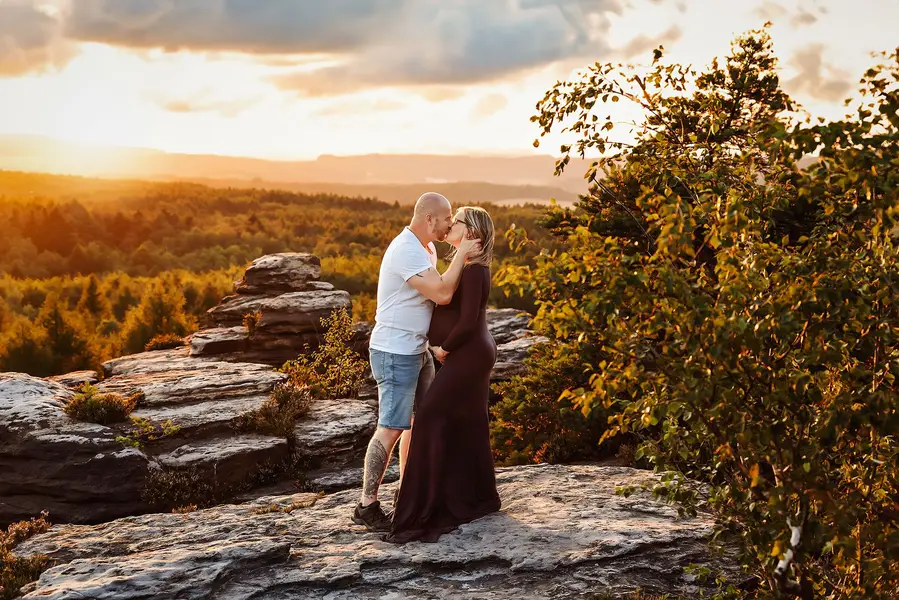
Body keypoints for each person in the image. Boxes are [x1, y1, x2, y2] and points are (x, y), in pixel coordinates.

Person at [352, 192, 481, 532]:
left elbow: (439, 290)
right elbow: (442, 293)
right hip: (394, 351)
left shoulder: (427, 247)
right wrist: (465, 253)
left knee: (420, 422)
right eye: (446, 219)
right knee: (392, 426)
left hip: (416, 349)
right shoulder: (406, 249)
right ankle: (366, 506)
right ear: (429, 219)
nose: (450, 224)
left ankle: (408, 494)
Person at [386, 206, 501, 544]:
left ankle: (424, 507)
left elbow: (467, 322)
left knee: (431, 415)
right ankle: (474, 497)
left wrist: (443, 349)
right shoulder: (463, 266)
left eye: (458, 221)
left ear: (472, 233)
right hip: (468, 354)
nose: (451, 225)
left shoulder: (476, 271)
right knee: (468, 422)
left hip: (467, 354)